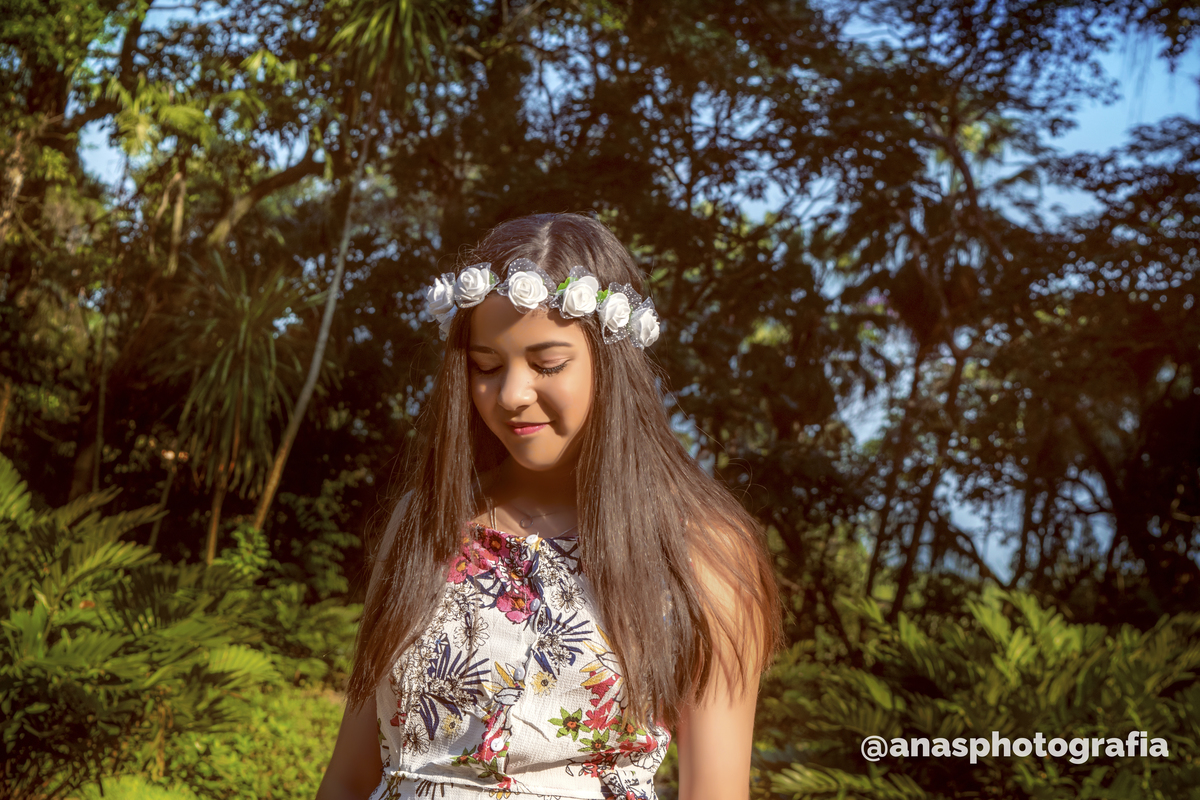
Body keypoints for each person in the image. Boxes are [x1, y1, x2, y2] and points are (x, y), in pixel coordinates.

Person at [316, 213, 781, 800]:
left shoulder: (700, 554)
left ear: (611, 367)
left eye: (547, 364)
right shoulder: (423, 522)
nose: (510, 394)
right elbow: (352, 774)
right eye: (485, 366)